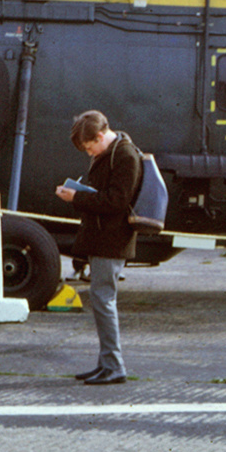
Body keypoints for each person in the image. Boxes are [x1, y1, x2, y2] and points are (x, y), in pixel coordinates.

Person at [55, 110, 141, 385]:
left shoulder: (125, 155)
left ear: (101, 135)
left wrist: (77, 198)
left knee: (104, 300)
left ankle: (114, 366)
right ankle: (106, 364)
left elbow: (117, 201)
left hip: (112, 240)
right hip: (105, 238)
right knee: (102, 300)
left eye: (91, 147)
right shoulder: (114, 152)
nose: (90, 153)